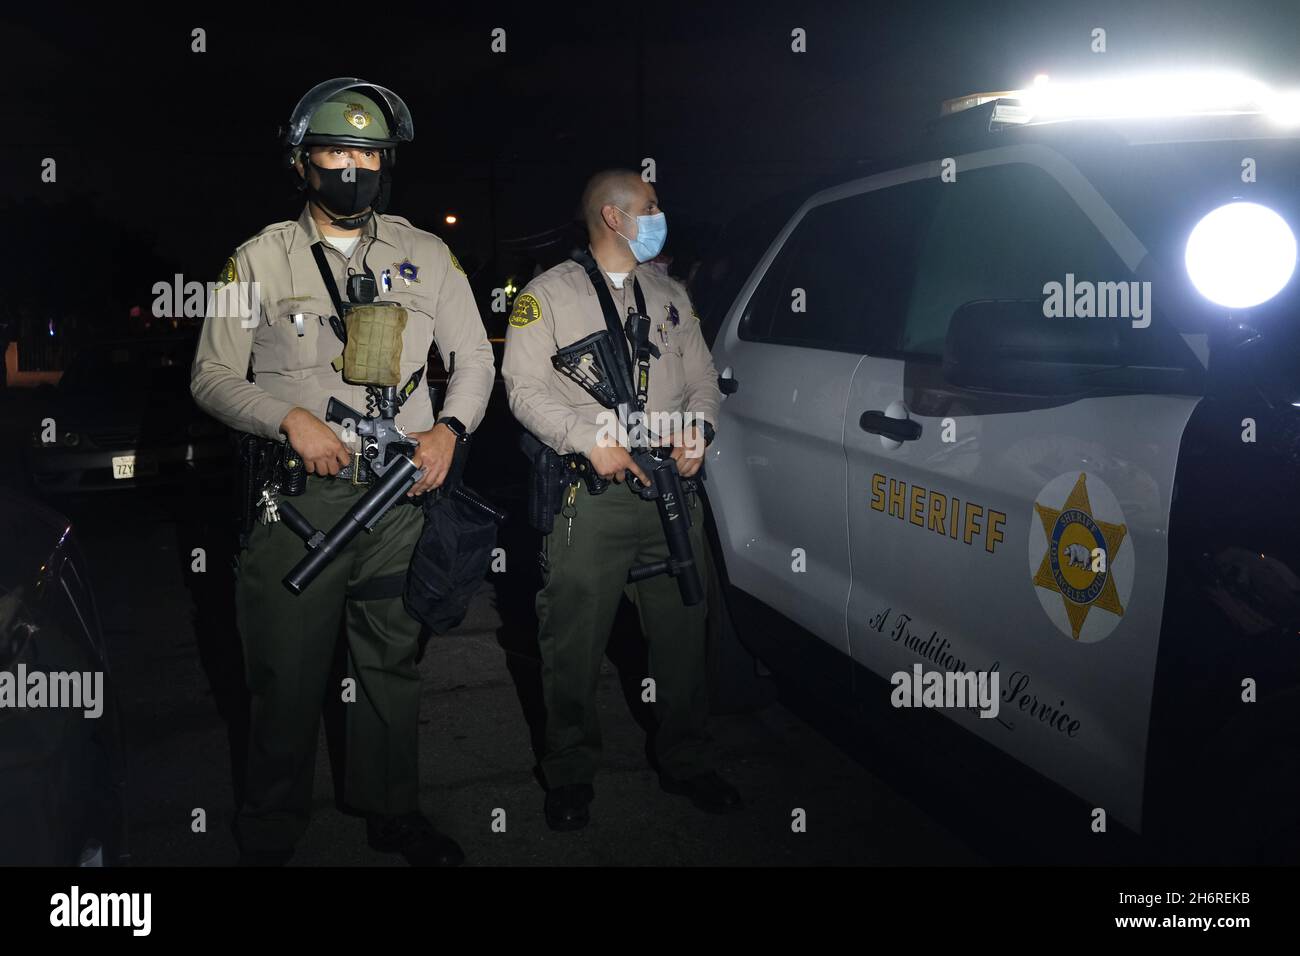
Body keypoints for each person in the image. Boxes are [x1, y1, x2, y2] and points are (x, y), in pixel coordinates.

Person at [190, 78, 494, 865]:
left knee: (389, 665)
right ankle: (270, 825)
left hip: (402, 500)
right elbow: (212, 377)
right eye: (335, 151)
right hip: (297, 505)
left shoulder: (428, 253)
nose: (352, 166)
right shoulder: (258, 257)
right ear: (303, 163)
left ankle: (393, 810)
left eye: (368, 152)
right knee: (284, 679)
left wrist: (451, 430)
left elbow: (475, 360)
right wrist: (288, 419)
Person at [502, 168, 742, 830]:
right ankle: (570, 772)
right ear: (614, 217)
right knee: (572, 643)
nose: (661, 216)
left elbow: (703, 380)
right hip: (591, 495)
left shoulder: (669, 293)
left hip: (669, 490)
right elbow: (522, 390)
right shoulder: (546, 296)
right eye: (651, 207)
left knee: (683, 638)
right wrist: (588, 439)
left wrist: (701, 427)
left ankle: (687, 759)